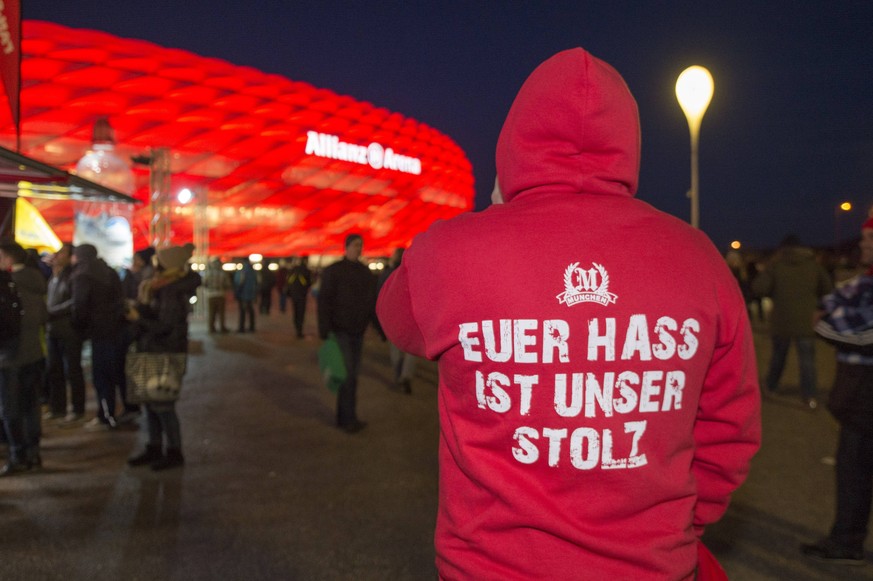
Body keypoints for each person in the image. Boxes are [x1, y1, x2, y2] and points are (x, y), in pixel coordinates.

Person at [376, 48, 761, 579]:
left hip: (492, 567)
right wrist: (686, 523)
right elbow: (730, 426)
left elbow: (395, 319)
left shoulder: (450, 253)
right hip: (650, 565)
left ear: (514, 143)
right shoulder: (700, 258)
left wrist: (492, 216)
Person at [801, 217, 873, 565]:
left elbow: (864, 337)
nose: (863, 245)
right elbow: (834, 302)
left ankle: (847, 540)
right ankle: (846, 539)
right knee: (851, 472)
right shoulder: (863, 283)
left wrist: (829, 326)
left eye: (869, 239)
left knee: (854, 470)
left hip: (865, 396)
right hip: (856, 395)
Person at [126, 243, 201, 471]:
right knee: (151, 403)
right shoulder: (162, 286)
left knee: (163, 405)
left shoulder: (172, 290)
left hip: (165, 352)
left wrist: (137, 318)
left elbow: (165, 326)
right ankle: (155, 447)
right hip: (155, 349)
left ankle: (174, 451)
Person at [752, 234, 832, 408]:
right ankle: (810, 396)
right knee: (807, 361)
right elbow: (827, 288)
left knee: (778, 357)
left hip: (782, 320)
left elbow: (759, 288)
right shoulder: (813, 265)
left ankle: (771, 387)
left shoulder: (776, 266)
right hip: (806, 320)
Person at [317, 234, 376, 433]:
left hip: (357, 331)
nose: (358, 249)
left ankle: (346, 417)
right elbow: (324, 301)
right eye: (355, 245)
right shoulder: (334, 271)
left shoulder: (365, 273)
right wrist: (324, 329)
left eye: (361, 245)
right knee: (348, 375)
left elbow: (371, 303)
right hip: (340, 330)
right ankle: (347, 418)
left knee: (352, 376)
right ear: (347, 247)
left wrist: (379, 327)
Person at [0, 241, 48, 475]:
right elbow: (42, 318)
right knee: (31, 406)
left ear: (6, 257)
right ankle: (33, 454)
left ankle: (17, 454)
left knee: (10, 409)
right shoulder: (37, 281)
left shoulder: (7, 285)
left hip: (9, 357)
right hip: (34, 352)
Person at [70, 243, 126, 430]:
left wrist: (80, 328)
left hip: (98, 331)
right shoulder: (108, 271)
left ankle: (105, 416)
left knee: (100, 376)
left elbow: (79, 306)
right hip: (115, 329)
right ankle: (111, 412)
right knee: (112, 374)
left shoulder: (83, 275)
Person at [44, 243, 87, 424]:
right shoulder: (53, 277)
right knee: (54, 370)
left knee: (73, 370)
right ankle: (58, 408)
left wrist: (52, 312)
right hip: (52, 331)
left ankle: (77, 409)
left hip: (69, 331)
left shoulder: (72, 276)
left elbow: (73, 302)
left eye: (61, 252)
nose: (57, 255)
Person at [377, 248, 416, 394]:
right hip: (411, 319)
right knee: (411, 352)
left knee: (395, 350)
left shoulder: (388, 274)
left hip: (393, 318)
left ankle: (398, 374)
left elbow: (380, 295)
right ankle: (405, 375)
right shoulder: (413, 273)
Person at [286, 255, 313, 339]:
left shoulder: (293, 270)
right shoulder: (306, 270)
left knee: (296, 311)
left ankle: (296, 327)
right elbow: (309, 283)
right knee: (301, 312)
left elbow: (288, 281)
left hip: (294, 294)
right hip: (302, 294)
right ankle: (299, 331)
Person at [203, 257, 230, 333]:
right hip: (221, 294)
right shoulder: (223, 273)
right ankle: (222, 328)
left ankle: (211, 328)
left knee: (211, 313)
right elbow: (227, 284)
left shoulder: (208, 273)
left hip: (210, 295)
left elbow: (204, 283)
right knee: (221, 313)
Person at [233, 257, 257, 333]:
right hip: (251, 293)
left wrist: (237, 292)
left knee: (242, 311)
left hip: (243, 294)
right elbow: (257, 282)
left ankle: (241, 327)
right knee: (250, 310)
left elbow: (239, 282)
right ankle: (252, 327)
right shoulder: (253, 271)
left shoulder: (242, 271)